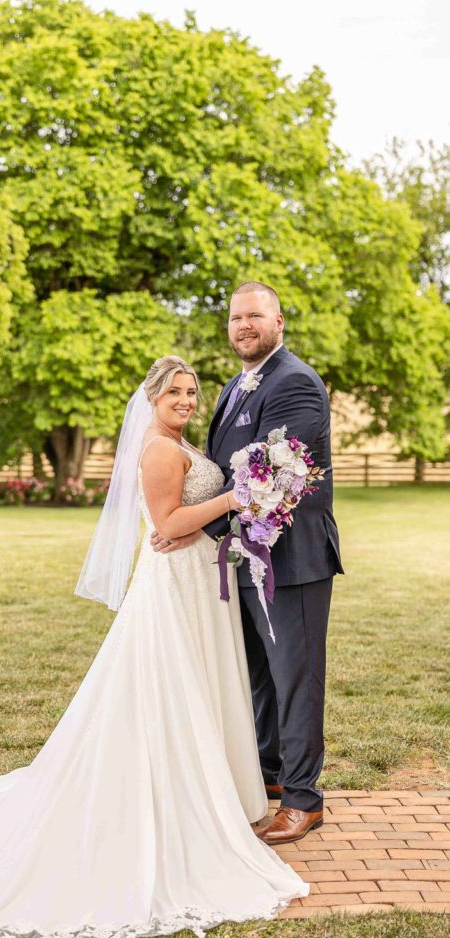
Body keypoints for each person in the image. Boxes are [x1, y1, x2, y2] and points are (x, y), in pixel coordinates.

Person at [0, 355, 308, 938]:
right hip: (175, 589)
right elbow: (167, 518)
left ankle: (217, 789)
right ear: (152, 398)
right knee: (173, 690)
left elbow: (184, 521)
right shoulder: (161, 450)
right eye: (175, 393)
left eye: (191, 392)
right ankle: (174, 800)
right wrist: (236, 499)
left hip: (196, 577)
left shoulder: (178, 443)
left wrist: (228, 507)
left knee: (200, 688)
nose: (186, 400)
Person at [152, 283, 343, 845]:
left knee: (296, 677)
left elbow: (264, 476)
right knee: (258, 676)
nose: (243, 326)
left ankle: (304, 800)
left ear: (278, 320)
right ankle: (271, 778)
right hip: (243, 557)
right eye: (235, 318)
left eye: (254, 316)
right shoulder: (236, 385)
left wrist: (193, 526)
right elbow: (217, 467)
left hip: (294, 560)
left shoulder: (297, 384)